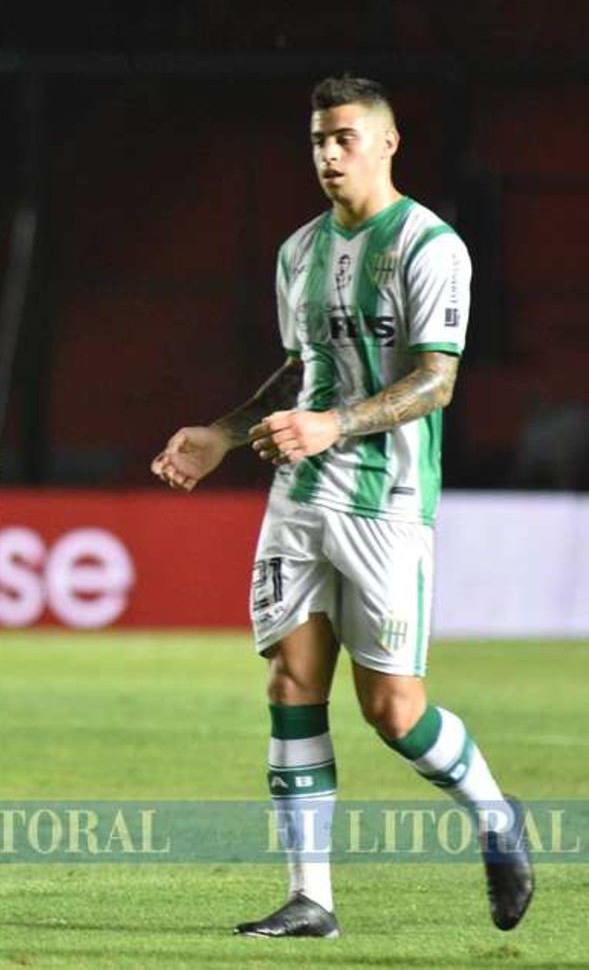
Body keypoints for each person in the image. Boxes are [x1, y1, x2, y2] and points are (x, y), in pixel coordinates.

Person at [151, 75, 533, 938]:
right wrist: (220, 432)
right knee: (290, 681)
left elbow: (435, 381)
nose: (327, 154)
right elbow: (301, 368)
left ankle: (494, 813)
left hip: (386, 502)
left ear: (387, 143)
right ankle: (310, 897)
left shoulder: (431, 247)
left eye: (345, 138)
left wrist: (334, 425)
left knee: (390, 709)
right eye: (318, 139)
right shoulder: (297, 252)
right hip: (299, 494)